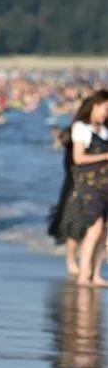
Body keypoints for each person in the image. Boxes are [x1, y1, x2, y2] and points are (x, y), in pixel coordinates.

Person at [58, 90, 108, 286]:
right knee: (93, 229)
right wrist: (105, 157)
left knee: (103, 231)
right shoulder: (81, 128)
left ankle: (95, 274)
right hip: (88, 187)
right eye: (105, 108)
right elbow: (78, 158)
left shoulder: (104, 130)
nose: (106, 113)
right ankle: (83, 274)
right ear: (94, 106)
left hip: (104, 186)